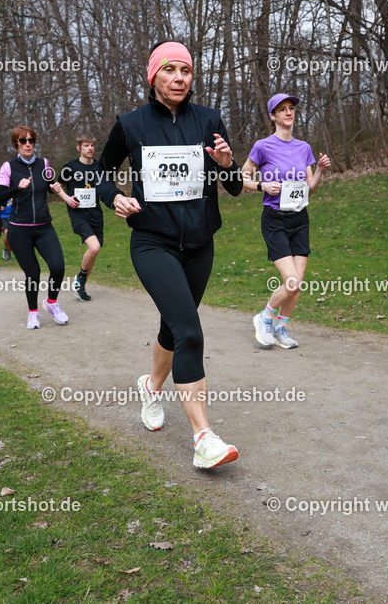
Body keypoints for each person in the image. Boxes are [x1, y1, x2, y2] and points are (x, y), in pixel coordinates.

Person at [96, 41, 245, 469]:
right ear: (154, 76)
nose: (179, 78)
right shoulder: (130, 124)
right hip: (152, 242)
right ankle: (204, 439)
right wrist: (115, 197)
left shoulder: (209, 119)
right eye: (169, 70)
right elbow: (100, 174)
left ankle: (151, 386)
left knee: (173, 326)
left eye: (185, 70)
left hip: (200, 244)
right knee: (190, 332)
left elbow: (235, 187)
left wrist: (226, 163)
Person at [243, 94, 331, 349]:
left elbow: (309, 188)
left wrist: (320, 170)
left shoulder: (304, 148)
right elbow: (242, 178)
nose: (288, 112)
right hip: (275, 220)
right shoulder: (262, 146)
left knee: (297, 283)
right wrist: (262, 185)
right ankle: (265, 317)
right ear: (273, 116)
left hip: (299, 219)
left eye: (291, 108)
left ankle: (280, 327)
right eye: (282, 109)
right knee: (291, 281)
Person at [0, 125, 76, 328]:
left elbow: (50, 185)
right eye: (23, 141)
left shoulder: (43, 163)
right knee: (33, 273)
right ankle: (33, 313)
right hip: (19, 229)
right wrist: (17, 188)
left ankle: (51, 302)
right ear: (16, 144)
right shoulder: (8, 167)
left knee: (58, 266)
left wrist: (62, 194)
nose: (28, 144)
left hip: (43, 227)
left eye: (31, 140)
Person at [59, 134, 105, 301]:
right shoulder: (69, 167)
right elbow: (56, 187)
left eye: (92, 145)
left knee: (93, 252)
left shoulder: (99, 166)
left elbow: (106, 186)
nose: (90, 148)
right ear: (79, 148)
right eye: (86, 145)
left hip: (95, 214)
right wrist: (67, 198)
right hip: (78, 214)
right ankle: (80, 278)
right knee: (94, 248)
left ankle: (81, 287)